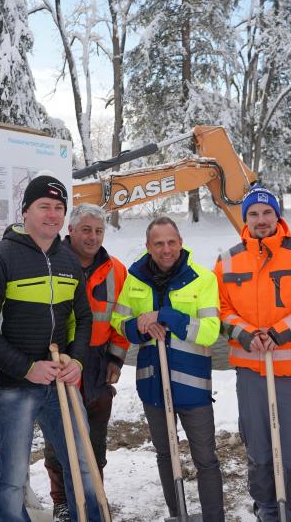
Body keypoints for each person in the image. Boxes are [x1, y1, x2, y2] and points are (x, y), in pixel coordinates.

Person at [0, 175, 101, 522]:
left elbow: (82, 318)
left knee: (82, 463)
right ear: (25, 210)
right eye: (44, 206)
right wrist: (27, 368)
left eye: (59, 208)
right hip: (14, 385)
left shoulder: (70, 261)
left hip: (60, 382)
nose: (52, 214)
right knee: (13, 476)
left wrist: (78, 360)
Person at [213, 187, 291, 522]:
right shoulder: (227, 260)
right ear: (245, 218)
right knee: (260, 448)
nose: (261, 220)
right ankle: (267, 509)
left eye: (267, 213)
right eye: (254, 214)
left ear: (277, 215)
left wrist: (281, 332)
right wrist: (245, 333)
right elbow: (219, 309)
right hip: (251, 373)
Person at [111, 216, 225, 521]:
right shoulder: (134, 279)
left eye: (171, 242)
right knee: (166, 455)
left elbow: (211, 330)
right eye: (158, 243)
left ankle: (214, 517)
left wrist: (165, 316)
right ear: (148, 246)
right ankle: (178, 514)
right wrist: (141, 325)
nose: (166, 249)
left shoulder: (203, 279)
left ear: (181, 242)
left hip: (193, 385)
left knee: (205, 459)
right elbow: (119, 322)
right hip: (152, 385)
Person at [42, 204, 128, 520]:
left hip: (98, 363)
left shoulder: (116, 270)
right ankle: (63, 501)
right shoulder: (49, 263)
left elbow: (122, 318)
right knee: (58, 436)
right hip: (59, 359)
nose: (93, 237)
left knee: (95, 438)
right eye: (86, 230)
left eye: (98, 231)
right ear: (71, 231)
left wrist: (116, 359)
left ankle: (95, 497)